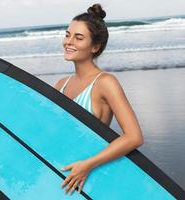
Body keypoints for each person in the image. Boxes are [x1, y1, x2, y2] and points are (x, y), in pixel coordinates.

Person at [54, 4, 144, 195]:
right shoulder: (60, 84)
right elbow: (49, 134)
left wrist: (87, 165)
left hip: (88, 179)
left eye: (78, 38)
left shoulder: (105, 82)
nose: (68, 42)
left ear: (95, 47)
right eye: (67, 34)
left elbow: (134, 137)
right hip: (62, 174)